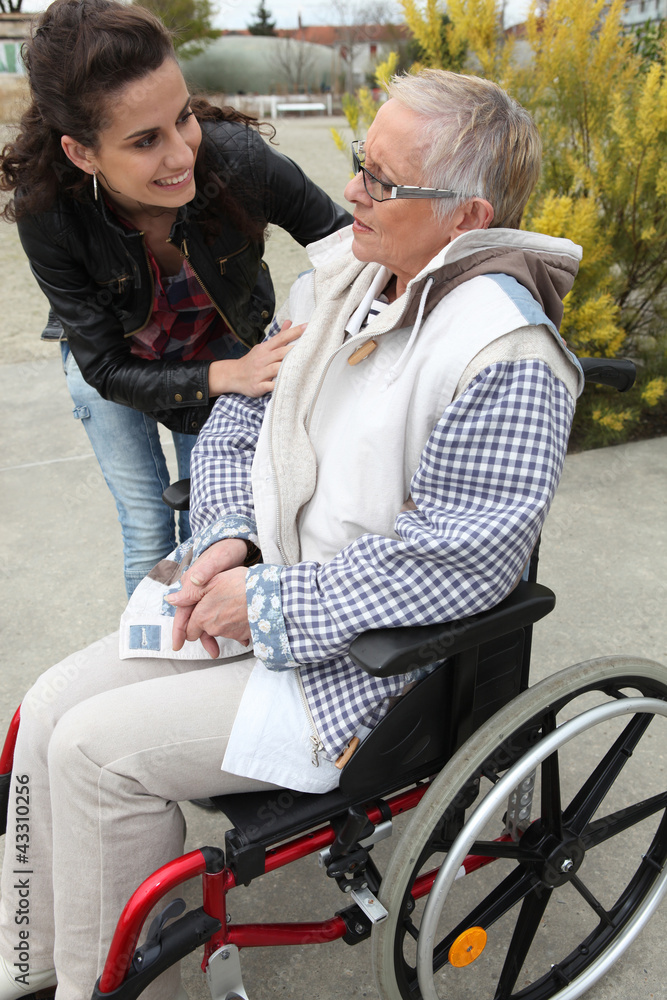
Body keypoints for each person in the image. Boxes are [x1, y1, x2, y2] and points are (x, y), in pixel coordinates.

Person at [0, 69, 584, 1000]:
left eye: (382, 183)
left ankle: (96, 987)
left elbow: (462, 559)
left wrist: (263, 601)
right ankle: (31, 957)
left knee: (94, 754)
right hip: (266, 596)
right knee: (46, 708)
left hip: (366, 670)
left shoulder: (505, 356)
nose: (350, 190)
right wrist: (227, 536)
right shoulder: (341, 281)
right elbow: (239, 421)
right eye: (361, 164)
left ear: (467, 217)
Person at [0, 0, 350, 597]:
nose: (183, 155)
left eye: (182, 117)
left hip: (222, 352)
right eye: (144, 141)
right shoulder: (49, 211)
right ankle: (151, 664)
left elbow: (347, 244)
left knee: (213, 524)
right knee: (146, 527)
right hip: (116, 367)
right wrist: (223, 376)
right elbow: (106, 366)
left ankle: (202, 662)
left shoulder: (236, 161)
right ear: (81, 153)